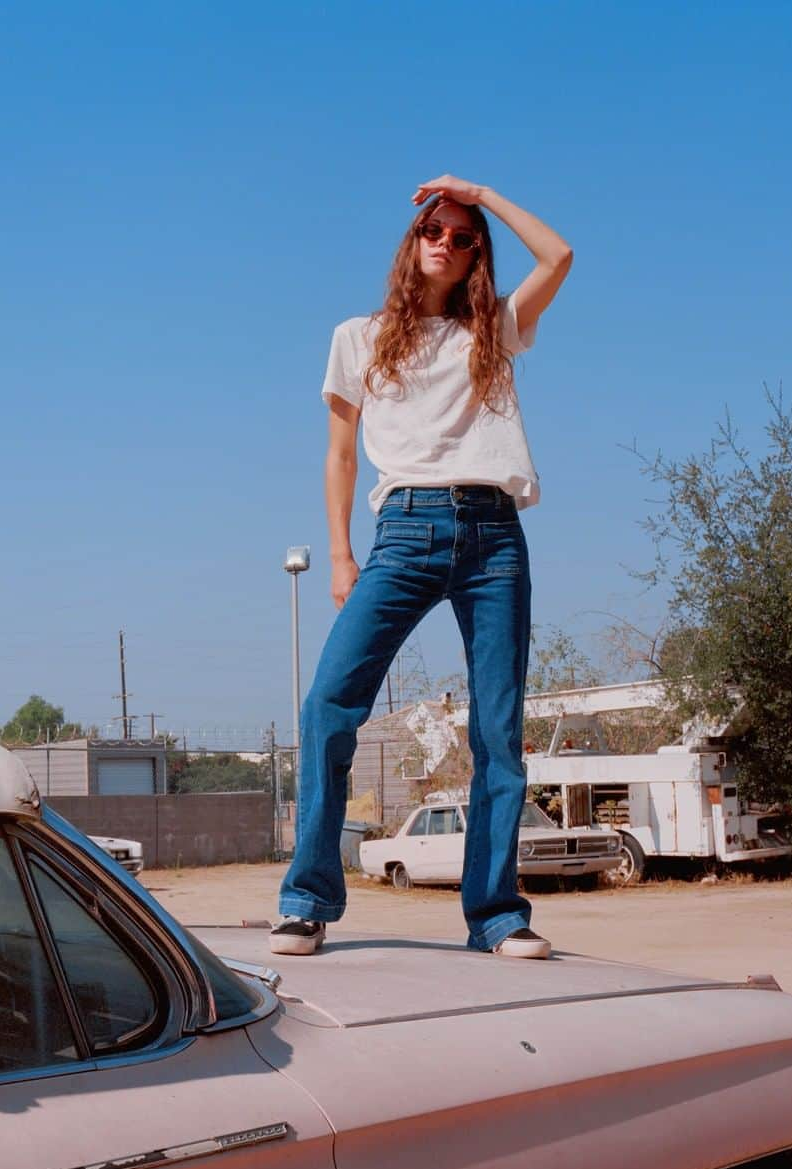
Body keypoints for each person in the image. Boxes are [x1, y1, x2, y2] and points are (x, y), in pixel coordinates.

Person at [271, 174, 573, 959]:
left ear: (478, 257)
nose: (445, 242)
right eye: (433, 230)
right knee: (328, 706)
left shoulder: (496, 330)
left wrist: (481, 193)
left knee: (498, 731)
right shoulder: (356, 337)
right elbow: (340, 455)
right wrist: (339, 552)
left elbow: (560, 252)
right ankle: (307, 898)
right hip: (402, 532)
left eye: (462, 236)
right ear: (411, 243)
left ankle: (497, 914)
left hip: (494, 537)